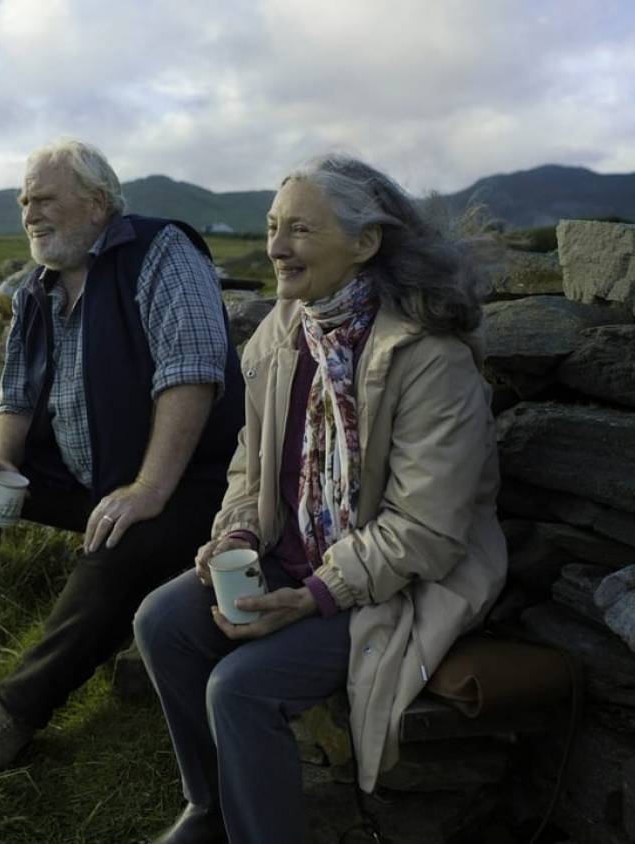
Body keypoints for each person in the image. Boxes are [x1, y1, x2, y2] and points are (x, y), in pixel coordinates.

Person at [133, 154, 507, 843]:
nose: (276, 248)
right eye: (272, 227)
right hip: (294, 552)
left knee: (240, 688)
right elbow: (251, 464)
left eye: (299, 230)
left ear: (365, 242)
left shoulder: (429, 357)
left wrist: (312, 597)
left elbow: (425, 531)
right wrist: (238, 532)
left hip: (398, 585)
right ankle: (211, 808)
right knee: (162, 622)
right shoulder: (284, 330)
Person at [0, 138, 245, 771]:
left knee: (119, 538)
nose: (29, 214)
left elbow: (192, 374)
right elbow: (13, 398)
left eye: (43, 199)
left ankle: (15, 711)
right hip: (97, 476)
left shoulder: (160, 251)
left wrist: (146, 490)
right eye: (23, 202)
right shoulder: (36, 292)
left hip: (191, 486)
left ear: (97, 203)